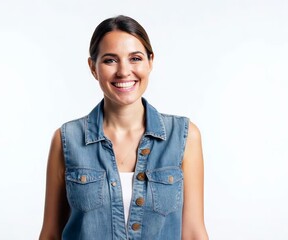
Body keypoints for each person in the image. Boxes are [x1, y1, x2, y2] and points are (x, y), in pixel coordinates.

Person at [39, 15, 208, 240]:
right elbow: (50, 234)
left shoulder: (184, 137)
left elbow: (194, 233)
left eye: (135, 58)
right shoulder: (66, 139)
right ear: (93, 67)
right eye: (110, 60)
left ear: (150, 61)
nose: (124, 71)